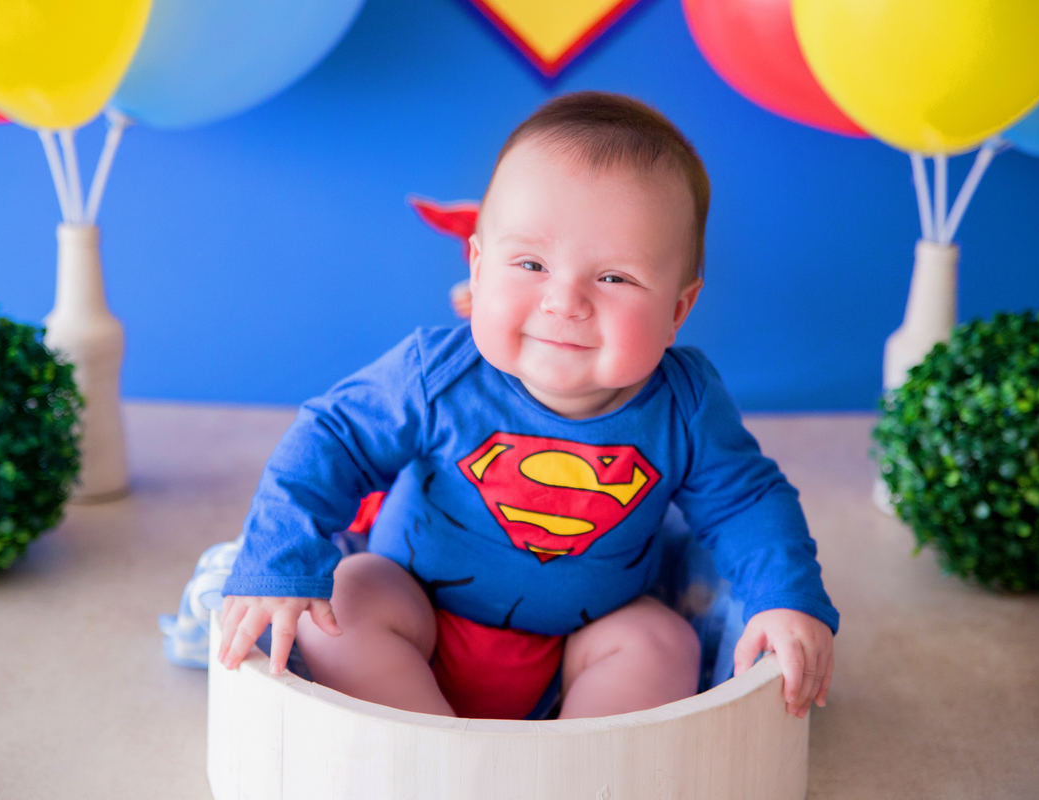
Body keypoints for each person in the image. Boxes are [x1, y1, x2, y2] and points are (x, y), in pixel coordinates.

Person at [216, 91, 837, 721]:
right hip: (415, 611)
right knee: (344, 602)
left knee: (661, 639)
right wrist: (278, 561)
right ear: (479, 268)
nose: (564, 301)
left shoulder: (685, 405)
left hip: (587, 638)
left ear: (678, 310)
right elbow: (332, 439)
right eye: (532, 263)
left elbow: (747, 501)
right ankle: (434, 762)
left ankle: (577, 771)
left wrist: (786, 598)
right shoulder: (438, 376)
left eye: (614, 277)